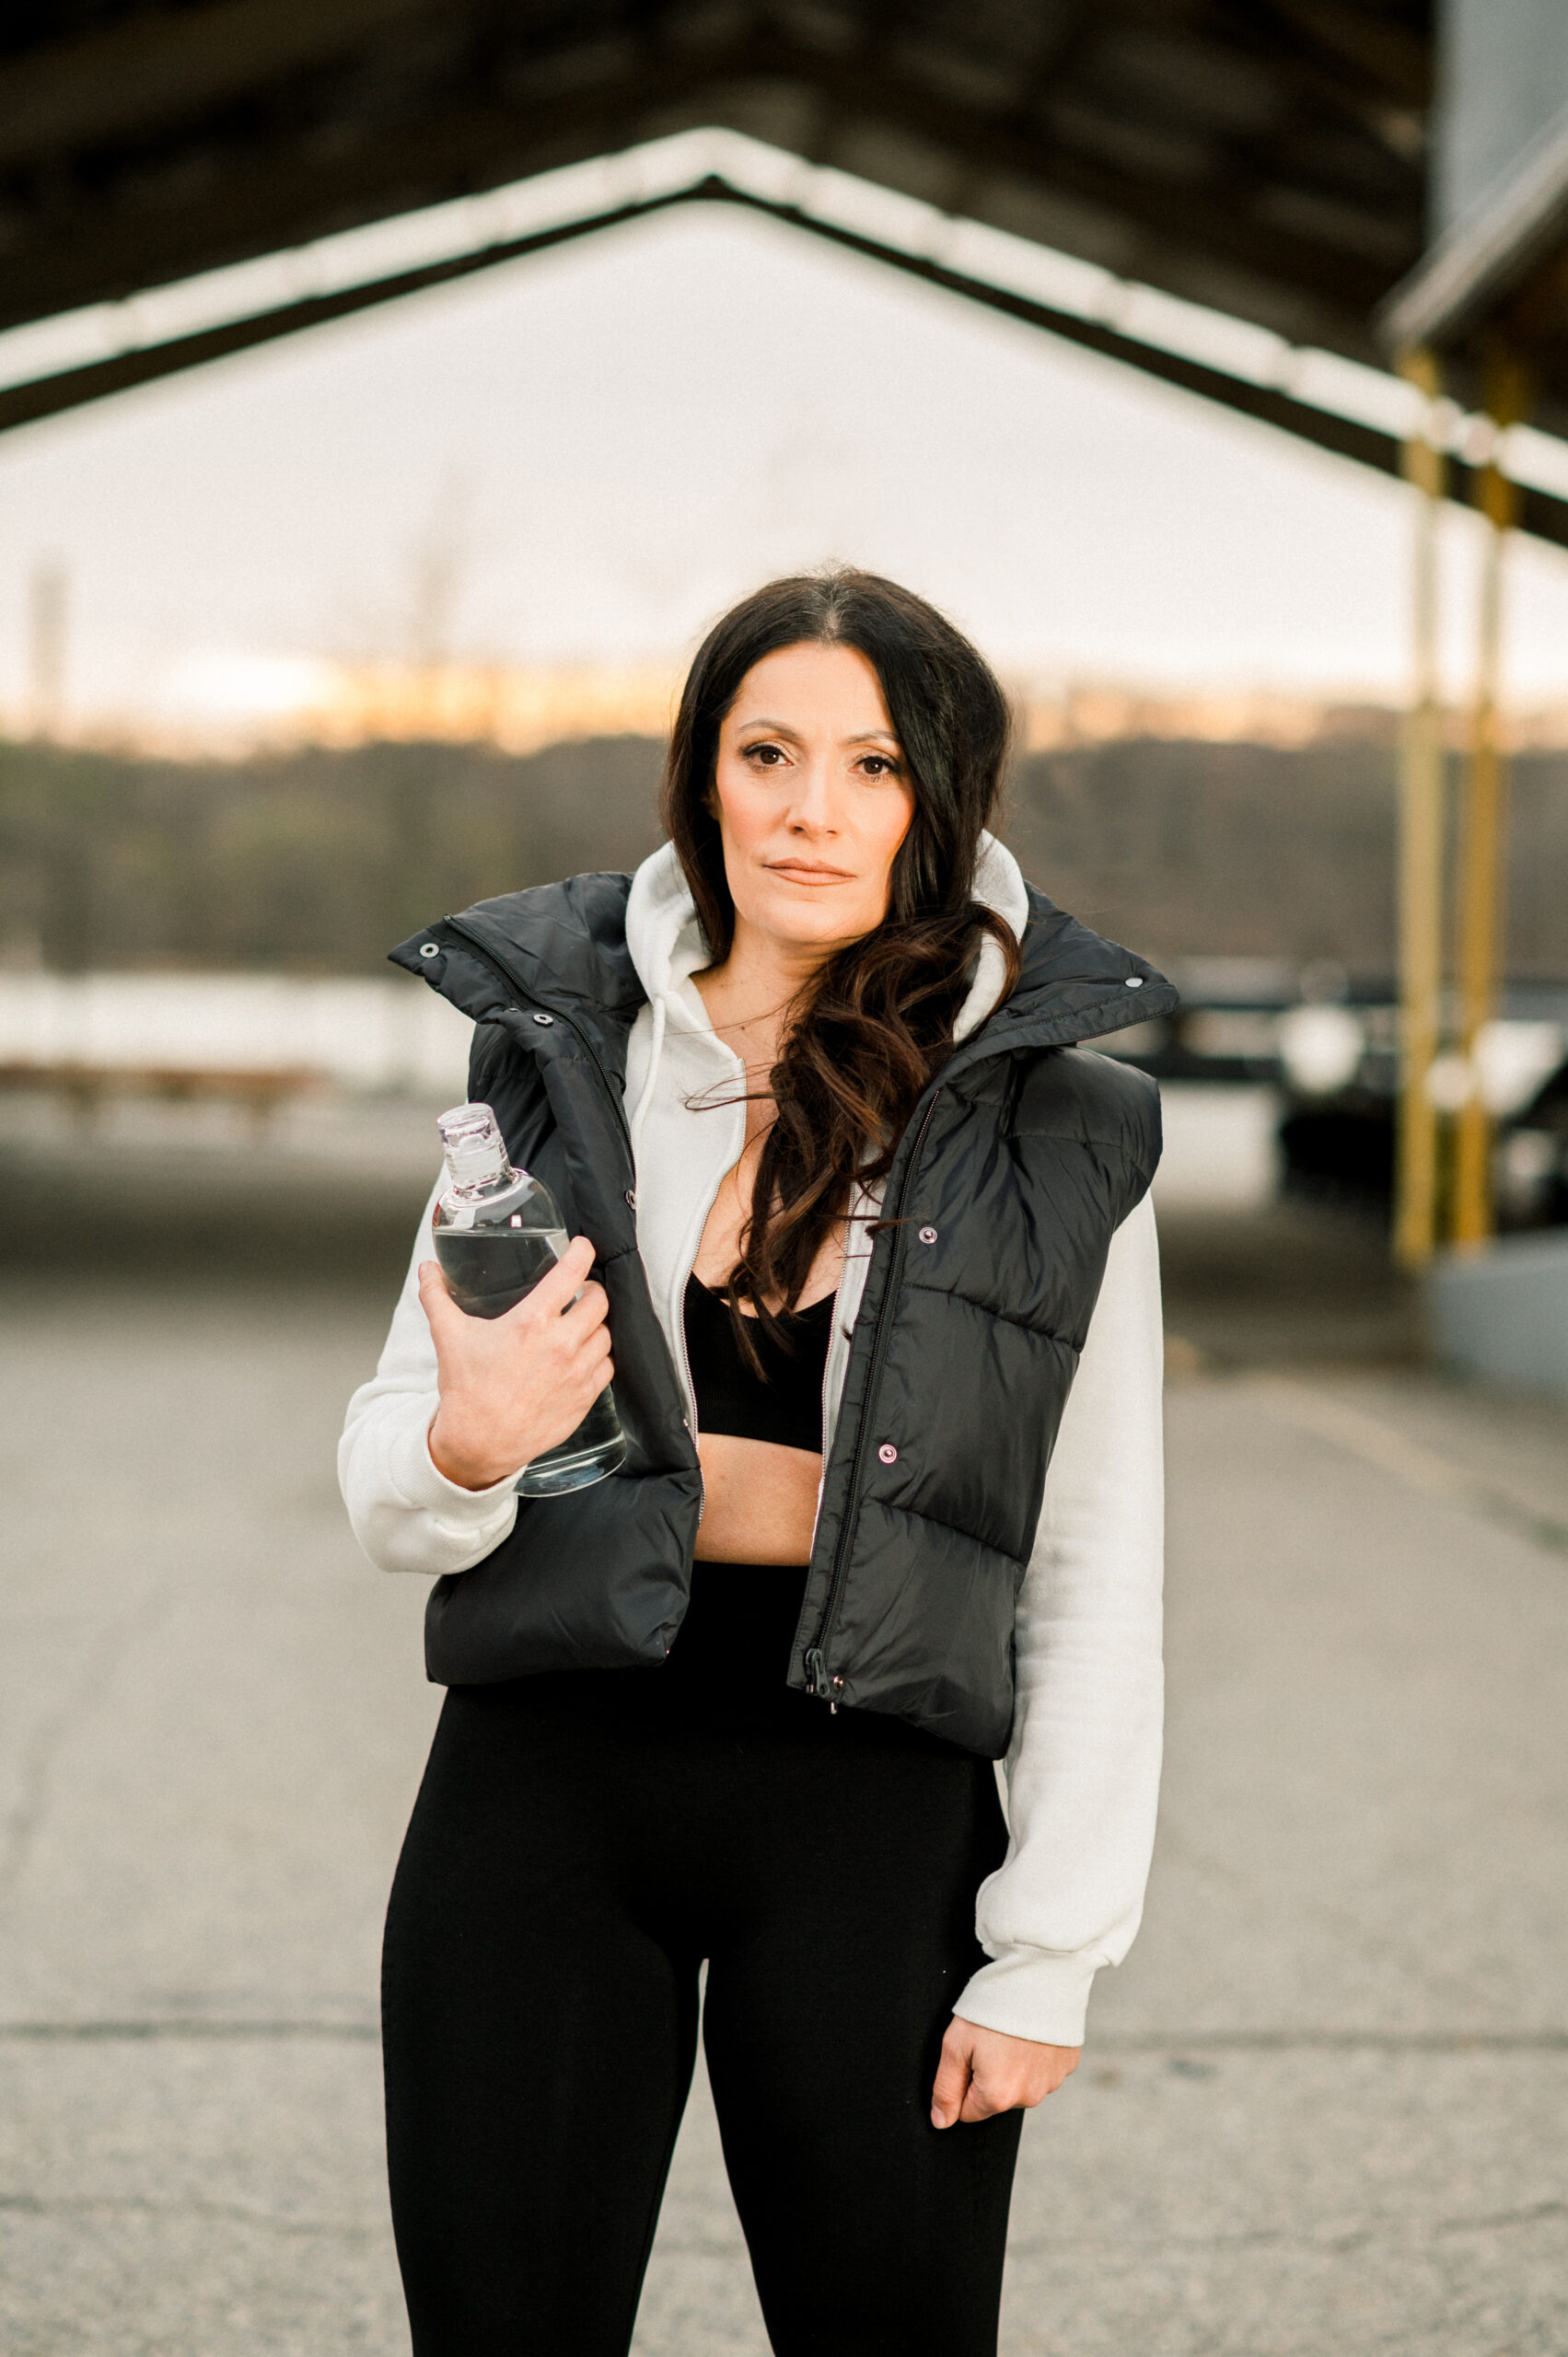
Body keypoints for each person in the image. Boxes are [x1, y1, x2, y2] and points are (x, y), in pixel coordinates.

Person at [339, 568, 1175, 2357]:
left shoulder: (1060, 1127)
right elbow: (388, 1457)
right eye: (769, 751)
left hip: (871, 1819)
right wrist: (468, 1442)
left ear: (940, 803)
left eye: (873, 766)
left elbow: (1097, 1558)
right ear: (702, 777)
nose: (813, 808)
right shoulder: (555, 1059)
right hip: (540, 1790)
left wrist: (1048, 1950)